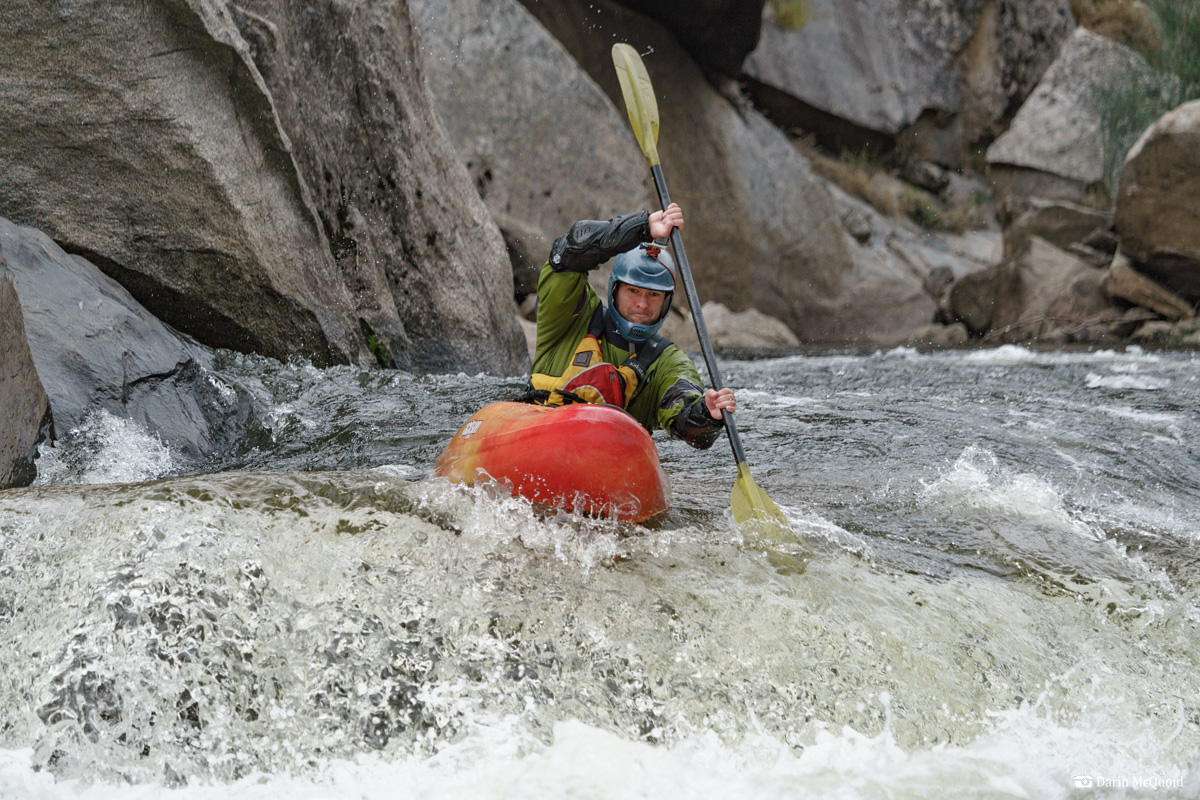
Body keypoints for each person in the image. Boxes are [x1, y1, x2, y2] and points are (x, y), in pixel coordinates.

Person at [523, 203, 736, 449]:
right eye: (633, 291)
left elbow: (687, 421)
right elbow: (570, 249)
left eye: (654, 295)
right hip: (535, 435)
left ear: (667, 301)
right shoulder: (570, 315)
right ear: (615, 289)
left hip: (601, 458)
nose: (642, 304)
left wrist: (707, 414)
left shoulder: (667, 361)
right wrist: (642, 227)